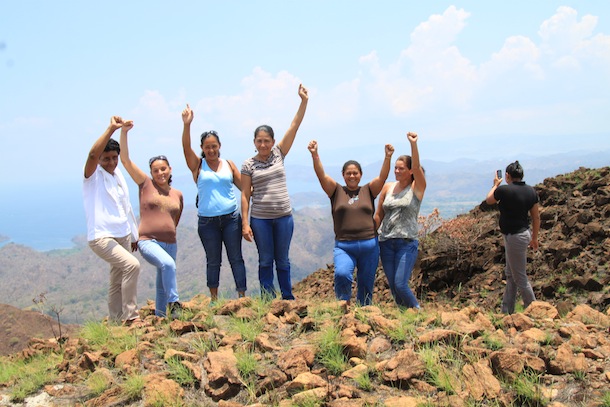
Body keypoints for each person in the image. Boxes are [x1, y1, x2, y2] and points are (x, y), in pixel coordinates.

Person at [241, 84, 309, 300]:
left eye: (266, 140)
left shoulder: (279, 153)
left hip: (283, 217)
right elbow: (244, 194)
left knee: (283, 259)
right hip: (260, 219)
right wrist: (245, 223)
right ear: (254, 142)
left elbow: (295, 126)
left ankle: (288, 298)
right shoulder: (248, 165)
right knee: (265, 260)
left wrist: (303, 102)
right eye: (259, 141)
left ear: (272, 141)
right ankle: (268, 300)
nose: (263, 144)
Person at [308, 139, 394, 306]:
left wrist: (388, 157)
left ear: (360, 174)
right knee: (342, 274)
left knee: (366, 283)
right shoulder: (336, 191)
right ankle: (343, 305)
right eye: (348, 173)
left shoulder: (368, 190)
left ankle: (364, 314)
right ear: (343, 175)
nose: (352, 176)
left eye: (355, 173)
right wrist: (315, 155)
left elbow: (383, 177)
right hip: (344, 246)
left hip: (370, 245)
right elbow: (321, 175)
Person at [182, 104, 247, 301]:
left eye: (214, 146)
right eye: (207, 147)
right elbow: (185, 148)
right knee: (213, 261)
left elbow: (245, 187)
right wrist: (187, 125)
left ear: (219, 146)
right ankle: (214, 299)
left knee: (236, 258)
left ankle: (242, 296)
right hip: (207, 222)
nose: (211, 150)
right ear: (202, 148)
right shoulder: (197, 165)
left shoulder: (229, 164)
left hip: (231, 219)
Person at [119, 121, 184, 319]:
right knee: (168, 266)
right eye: (156, 170)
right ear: (151, 173)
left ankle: (161, 317)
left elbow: (175, 219)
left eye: (163, 169)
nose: (160, 173)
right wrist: (124, 133)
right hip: (148, 241)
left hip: (170, 244)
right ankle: (174, 303)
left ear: (170, 169)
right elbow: (125, 160)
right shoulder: (145, 184)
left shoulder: (177, 194)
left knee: (162, 282)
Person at [83, 116, 140, 325]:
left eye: (114, 157)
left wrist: (134, 234)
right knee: (132, 266)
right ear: (99, 159)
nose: (111, 162)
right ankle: (131, 316)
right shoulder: (93, 177)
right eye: (106, 158)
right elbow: (91, 154)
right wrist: (111, 129)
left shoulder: (117, 176)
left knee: (116, 279)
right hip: (101, 237)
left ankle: (115, 324)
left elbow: (126, 207)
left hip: (122, 234)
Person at [374, 132, 426, 310]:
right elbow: (379, 214)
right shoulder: (388, 187)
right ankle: (404, 319)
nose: (396, 171)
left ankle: (417, 312)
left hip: (406, 242)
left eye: (401, 168)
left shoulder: (417, 187)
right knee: (394, 288)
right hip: (386, 242)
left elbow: (418, 168)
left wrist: (413, 145)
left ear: (410, 171)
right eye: (395, 168)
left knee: (401, 284)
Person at [485, 160, 540, 314]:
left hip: (514, 237)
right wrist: (534, 238)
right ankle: (507, 310)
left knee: (520, 277)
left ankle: (534, 310)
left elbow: (489, 199)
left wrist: (495, 184)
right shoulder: (531, 192)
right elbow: (536, 217)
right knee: (511, 274)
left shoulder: (504, 190)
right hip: (522, 235)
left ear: (507, 176)